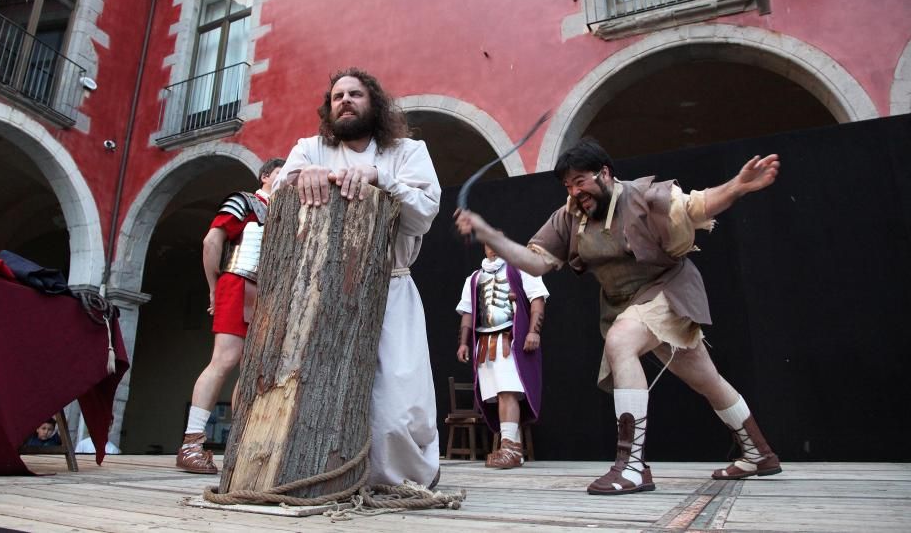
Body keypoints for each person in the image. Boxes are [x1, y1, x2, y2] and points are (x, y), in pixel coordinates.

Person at [455, 138, 782, 494]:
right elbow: (537, 263)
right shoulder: (569, 217)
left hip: (668, 289)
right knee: (706, 378)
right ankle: (758, 453)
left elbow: (696, 206)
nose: (575, 191)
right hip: (626, 305)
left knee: (621, 340)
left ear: (605, 173)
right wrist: (488, 233)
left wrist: (738, 185)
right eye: (568, 185)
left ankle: (632, 466)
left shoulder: (645, 197)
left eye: (580, 181)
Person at [274, 67, 441, 488]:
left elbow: (423, 214)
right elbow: (275, 198)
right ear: (328, 109)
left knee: (397, 400)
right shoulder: (309, 148)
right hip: (320, 292)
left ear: (375, 103)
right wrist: (301, 178)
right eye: (337, 96)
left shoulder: (406, 151)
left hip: (391, 285)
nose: (345, 100)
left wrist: (379, 178)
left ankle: (394, 481)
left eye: (355, 94)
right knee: (316, 389)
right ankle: (323, 477)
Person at [176, 157, 286, 474]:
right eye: (281, 172)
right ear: (266, 176)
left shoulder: (286, 212)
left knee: (251, 368)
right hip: (238, 282)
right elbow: (212, 241)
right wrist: (214, 287)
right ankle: (191, 443)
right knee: (225, 359)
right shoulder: (245, 202)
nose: (286, 178)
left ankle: (239, 445)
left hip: (267, 293)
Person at [456, 239, 548, 469]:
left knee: (508, 391)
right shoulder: (474, 278)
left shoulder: (521, 268)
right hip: (486, 343)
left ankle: (508, 448)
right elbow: (468, 313)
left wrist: (533, 332)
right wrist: (464, 343)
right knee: (498, 395)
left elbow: (537, 300)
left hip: (510, 339)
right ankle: (513, 448)